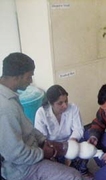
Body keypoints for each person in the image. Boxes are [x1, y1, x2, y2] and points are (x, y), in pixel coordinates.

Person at [0, 52, 83, 180]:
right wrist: (43, 153)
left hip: (33, 152)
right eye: (29, 77)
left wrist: (44, 141)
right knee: (74, 176)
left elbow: (30, 129)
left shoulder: (10, 98)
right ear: (17, 77)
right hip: (22, 168)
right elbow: (15, 154)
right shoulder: (5, 108)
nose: (31, 81)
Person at [34, 84, 92, 178]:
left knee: (88, 143)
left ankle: (82, 170)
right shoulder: (41, 113)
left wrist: (71, 145)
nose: (65, 105)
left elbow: (78, 129)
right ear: (50, 103)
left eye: (66, 101)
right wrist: (53, 153)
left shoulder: (73, 108)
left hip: (70, 142)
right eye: (60, 103)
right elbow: (41, 138)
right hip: (53, 147)